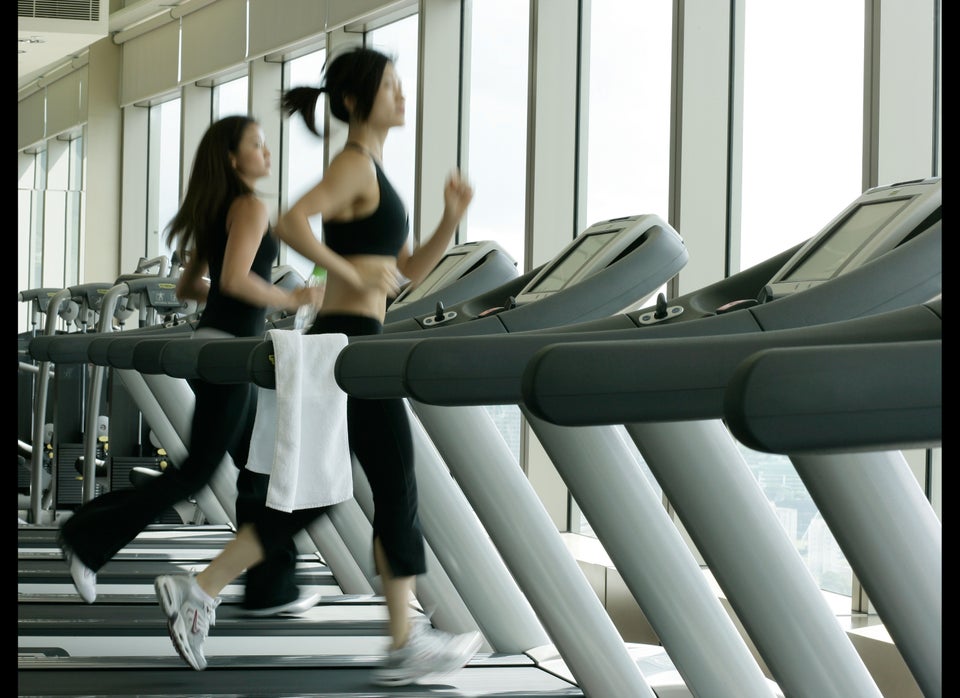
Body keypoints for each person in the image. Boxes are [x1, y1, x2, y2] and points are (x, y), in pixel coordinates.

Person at [153, 46, 482, 685]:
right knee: (395, 482)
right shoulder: (354, 164)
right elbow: (292, 219)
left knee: (321, 495)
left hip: (358, 339)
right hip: (348, 341)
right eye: (390, 86)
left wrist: (450, 219)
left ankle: (204, 587)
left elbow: (407, 272)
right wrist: (351, 269)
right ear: (357, 102)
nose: (402, 95)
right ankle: (403, 638)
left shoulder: (375, 173)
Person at [56, 115, 326, 614]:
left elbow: (190, 287)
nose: (267, 154)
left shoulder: (216, 209)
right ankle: (86, 536)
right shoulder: (247, 206)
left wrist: (246, 293)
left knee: (258, 465)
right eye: (257, 145)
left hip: (216, 347)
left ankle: (271, 585)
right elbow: (240, 281)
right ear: (231, 158)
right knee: (197, 472)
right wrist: (290, 295)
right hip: (228, 351)